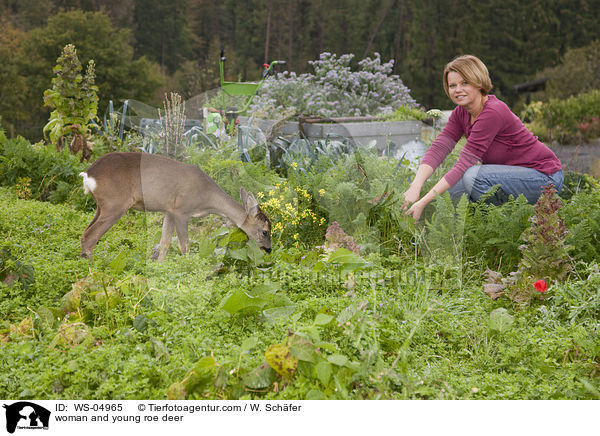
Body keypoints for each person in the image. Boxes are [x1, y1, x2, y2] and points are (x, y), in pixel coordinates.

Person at [402, 55, 563, 221]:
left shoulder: (493, 112)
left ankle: (506, 223)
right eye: (452, 85)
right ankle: (461, 234)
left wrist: (422, 201)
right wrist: (416, 186)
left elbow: (464, 164)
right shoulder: (461, 113)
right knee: (447, 196)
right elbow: (440, 148)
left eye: (465, 83)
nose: (457, 89)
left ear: (478, 82)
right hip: (511, 177)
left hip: (544, 178)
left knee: (473, 177)